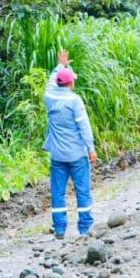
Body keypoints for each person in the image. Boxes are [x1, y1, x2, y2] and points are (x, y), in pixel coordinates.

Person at [43, 49, 96, 239]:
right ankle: (85, 228)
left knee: (58, 193)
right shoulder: (75, 101)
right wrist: (91, 148)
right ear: (71, 82)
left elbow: (51, 82)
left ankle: (59, 229)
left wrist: (60, 65)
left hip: (57, 155)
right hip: (77, 155)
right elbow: (84, 127)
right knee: (83, 191)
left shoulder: (49, 97)